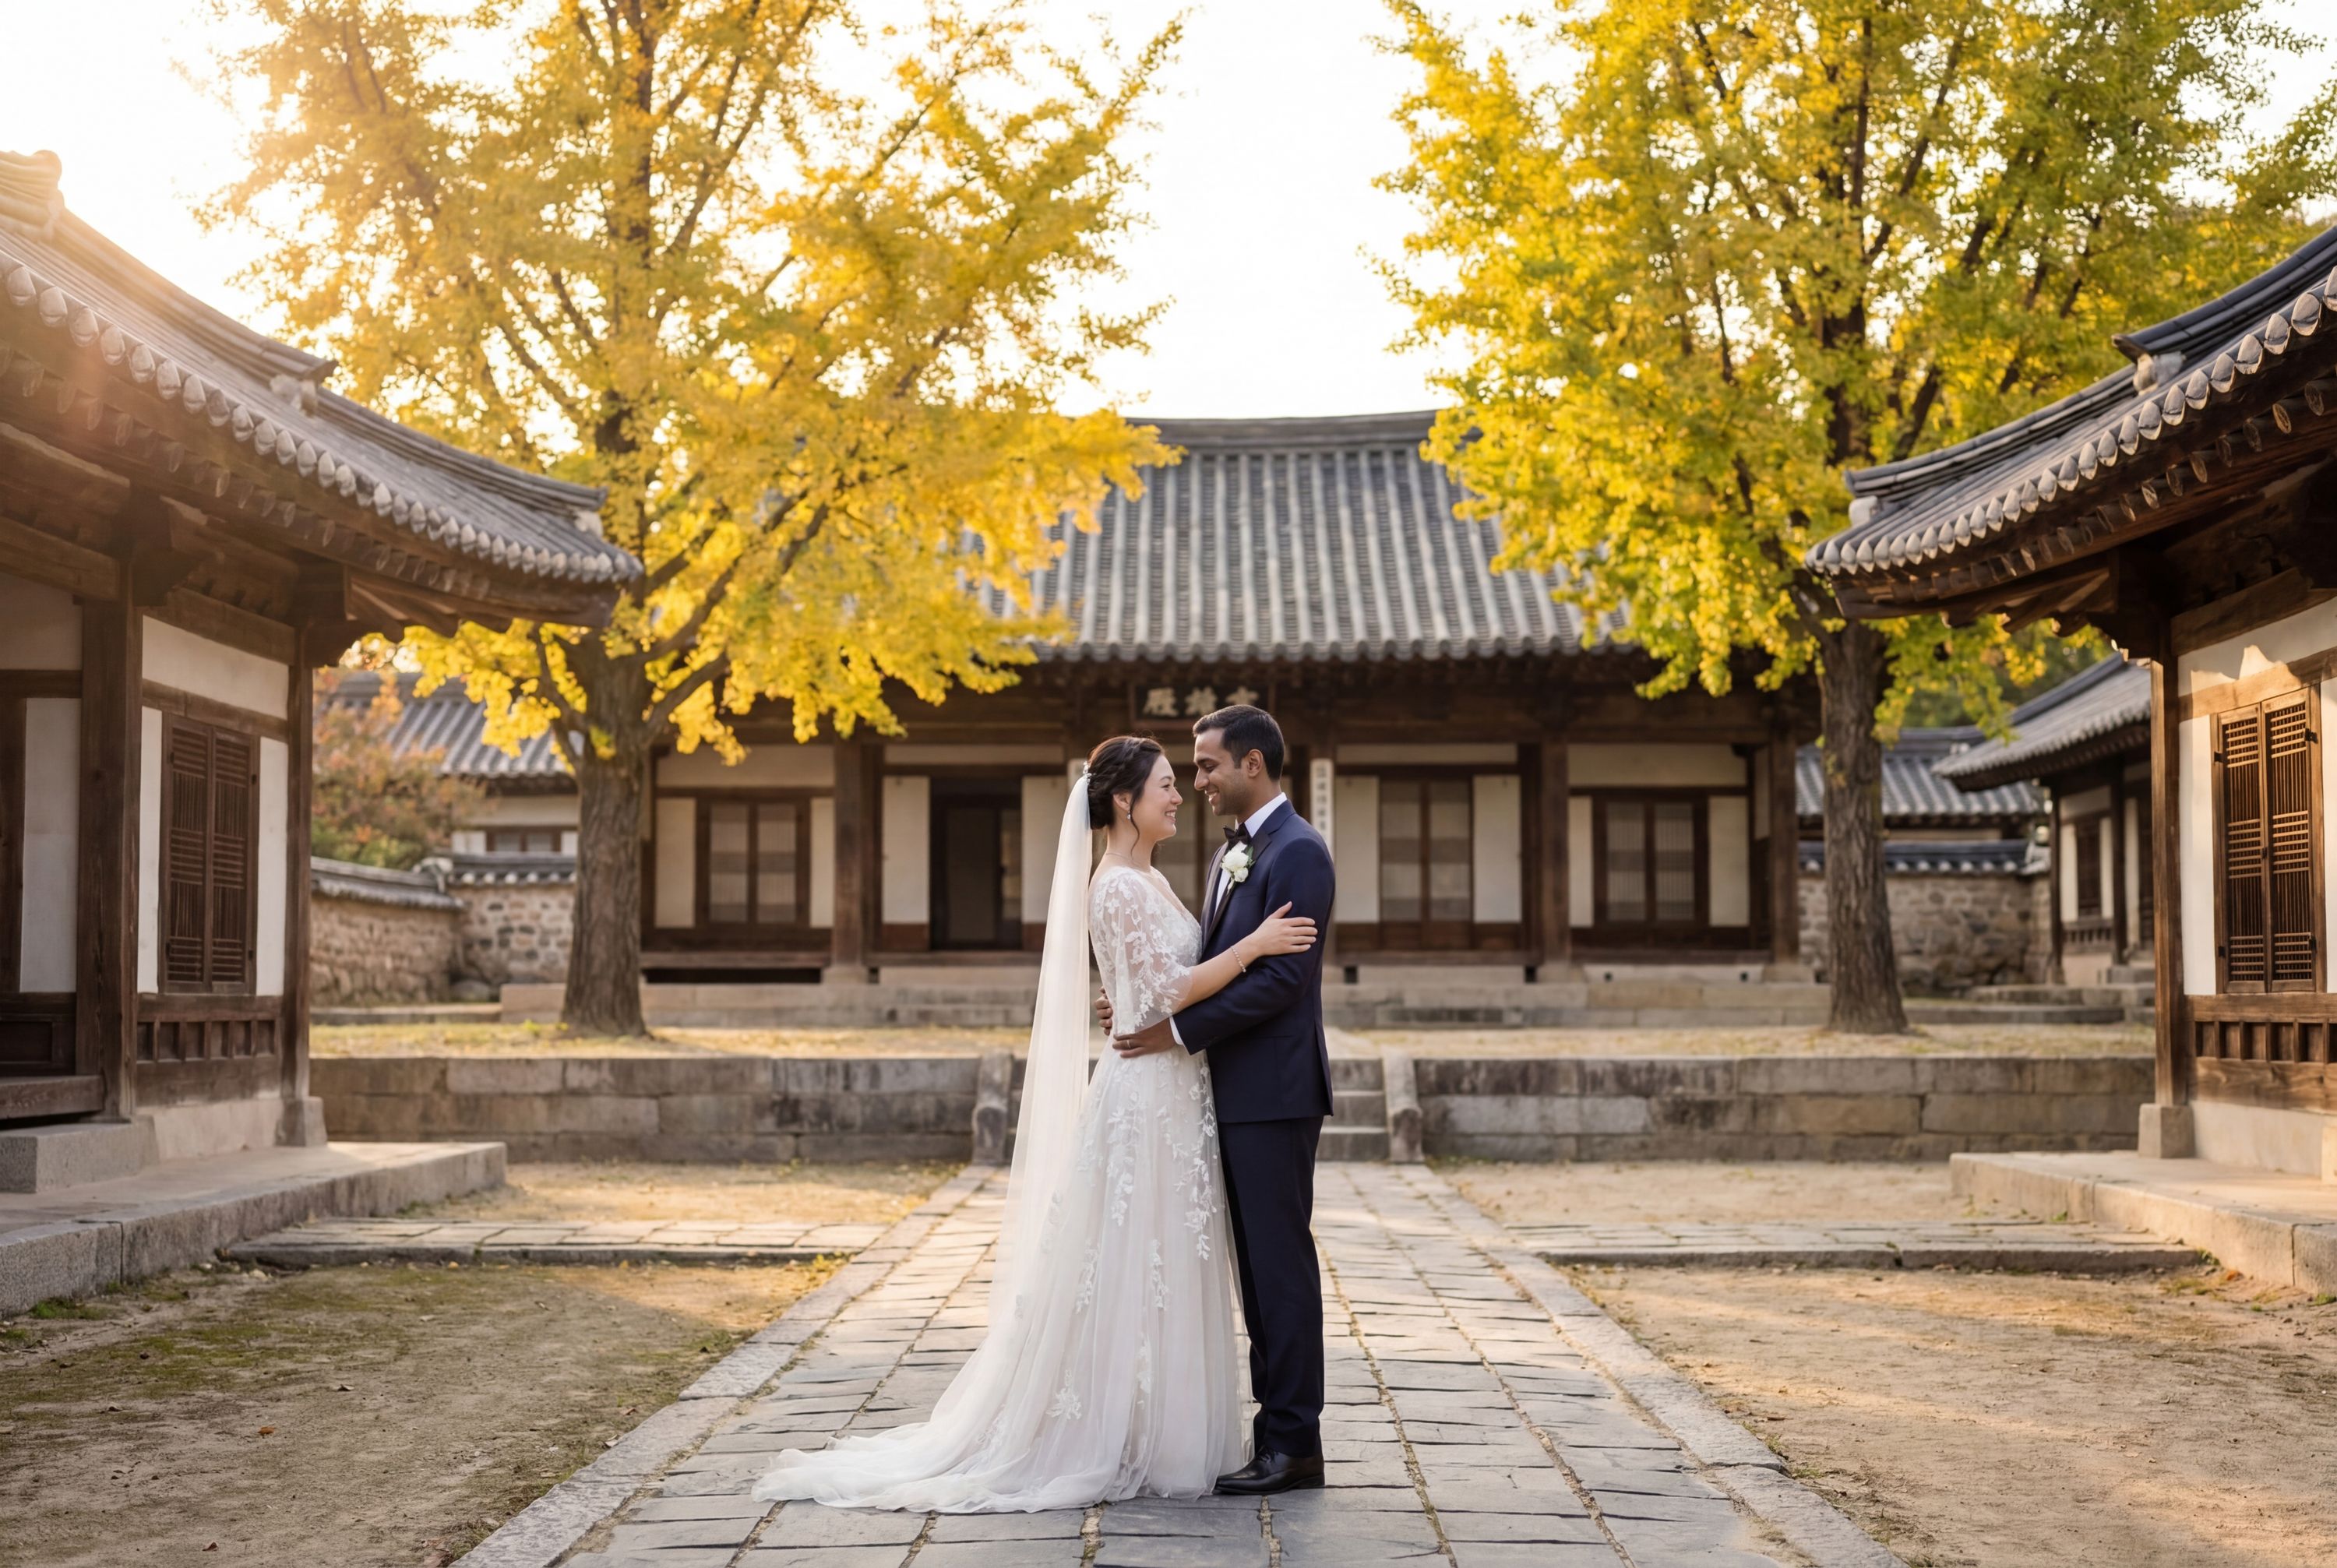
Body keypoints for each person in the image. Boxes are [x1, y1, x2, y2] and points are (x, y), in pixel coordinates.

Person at [753, 731, 1317, 1511]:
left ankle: (1166, 1425)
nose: (1182, 791)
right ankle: (1121, 1430)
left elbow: (1153, 982)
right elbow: (1165, 988)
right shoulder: (1118, 883)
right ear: (1124, 800)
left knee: (1163, 1257)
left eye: (1194, 774)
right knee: (1133, 1256)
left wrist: (1141, 994)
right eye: (1166, 783)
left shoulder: (1161, 875)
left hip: (1176, 1089)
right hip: (1149, 1093)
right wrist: (1248, 948)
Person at [1105, 703, 1337, 1496]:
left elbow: (1279, 980)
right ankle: (1273, 1432)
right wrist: (1138, 1005)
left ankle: (1294, 1441)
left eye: (1206, 766)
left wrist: (1173, 1031)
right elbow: (1204, 961)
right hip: (1223, 1093)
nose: (1196, 780)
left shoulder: (1299, 851)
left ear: (1253, 765)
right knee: (1252, 1273)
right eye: (1189, 770)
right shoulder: (1232, 855)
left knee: (1279, 1269)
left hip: (1272, 1093)